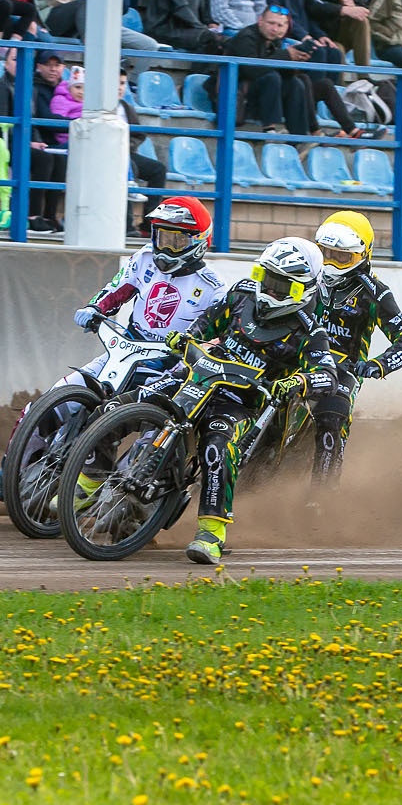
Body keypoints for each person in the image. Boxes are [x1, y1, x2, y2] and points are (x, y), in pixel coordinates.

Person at [0, 196, 227, 512]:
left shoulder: (213, 286)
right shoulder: (144, 258)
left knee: (126, 424)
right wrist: (95, 308)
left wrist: (199, 348)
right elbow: (115, 289)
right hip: (125, 349)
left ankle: (107, 497)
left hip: (169, 368)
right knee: (47, 403)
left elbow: (219, 335)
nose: (165, 246)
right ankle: (8, 473)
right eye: (161, 236)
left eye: (176, 240)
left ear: (198, 241)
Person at [153, 236, 336, 565]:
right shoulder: (241, 293)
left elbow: (329, 375)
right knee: (143, 401)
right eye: (267, 279)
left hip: (245, 403)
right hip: (204, 376)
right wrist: (188, 337)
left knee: (217, 444)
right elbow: (207, 320)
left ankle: (211, 532)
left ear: (305, 290)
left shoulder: (311, 331)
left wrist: (298, 380)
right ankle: (88, 482)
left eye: (282, 287)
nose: (270, 291)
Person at [306, 211, 402, 489]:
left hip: (341, 370)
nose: (331, 263)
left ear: (363, 254)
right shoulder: (304, 275)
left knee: (332, 420)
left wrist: (377, 365)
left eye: (342, 257)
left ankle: (320, 496)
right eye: (326, 254)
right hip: (296, 356)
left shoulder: (374, 293)